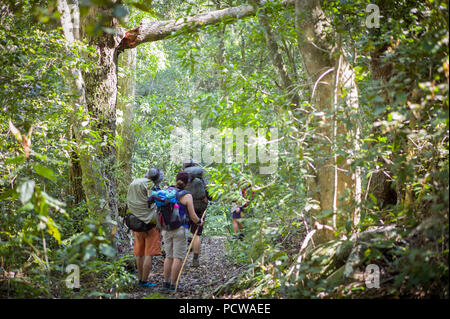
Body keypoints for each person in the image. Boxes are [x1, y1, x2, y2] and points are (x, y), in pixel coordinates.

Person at [161, 170, 204, 293]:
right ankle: (174, 284)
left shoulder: (167, 191)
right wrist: (200, 222)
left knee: (168, 257)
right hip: (180, 229)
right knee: (177, 258)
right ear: (187, 183)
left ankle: (165, 283)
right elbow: (193, 216)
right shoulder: (187, 196)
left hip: (166, 229)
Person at [126, 167, 164, 288]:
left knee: (139, 253)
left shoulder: (135, 182)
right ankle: (144, 281)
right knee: (148, 254)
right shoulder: (151, 185)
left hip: (135, 222)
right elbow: (158, 201)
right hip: (150, 223)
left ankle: (140, 279)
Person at [182, 160, 211, 267]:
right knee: (196, 234)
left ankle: (179, 259)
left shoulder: (182, 179)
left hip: (184, 209)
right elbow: (210, 194)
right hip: (199, 209)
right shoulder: (201, 180)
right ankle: (195, 259)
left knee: (183, 232)